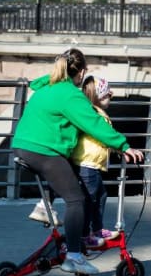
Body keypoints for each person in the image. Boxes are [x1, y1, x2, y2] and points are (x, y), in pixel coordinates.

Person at [12, 48, 144, 275]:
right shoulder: (70, 94)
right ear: (81, 72)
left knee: (69, 177)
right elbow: (92, 122)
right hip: (43, 150)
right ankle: (74, 256)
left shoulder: (47, 87)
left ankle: (45, 207)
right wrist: (123, 145)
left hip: (23, 146)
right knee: (76, 200)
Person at [29, 76, 120, 249]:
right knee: (88, 200)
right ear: (97, 97)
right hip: (86, 165)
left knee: (100, 196)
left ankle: (97, 229)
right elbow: (99, 134)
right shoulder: (90, 113)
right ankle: (85, 235)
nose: (111, 98)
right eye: (108, 95)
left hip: (92, 164)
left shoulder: (97, 113)